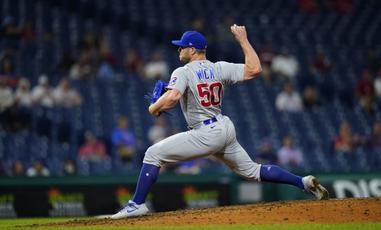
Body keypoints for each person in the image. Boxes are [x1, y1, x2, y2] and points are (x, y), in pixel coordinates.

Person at [111, 25, 328, 219]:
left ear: (193, 50)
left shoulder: (183, 71)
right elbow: (255, 69)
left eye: (182, 46)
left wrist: (153, 107)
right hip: (224, 127)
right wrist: (243, 39)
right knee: (253, 170)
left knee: (152, 154)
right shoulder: (219, 67)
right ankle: (303, 182)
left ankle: (136, 204)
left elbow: (173, 97)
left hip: (206, 133)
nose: (179, 50)